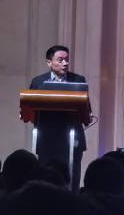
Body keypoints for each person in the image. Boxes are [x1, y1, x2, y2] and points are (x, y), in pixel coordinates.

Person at [29, 44, 89, 191]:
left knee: (71, 178)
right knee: (44, 180)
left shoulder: (78, 80)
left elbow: (86, 108)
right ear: (49, 62)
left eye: (67, 59)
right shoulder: (38, 82)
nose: (65, 63)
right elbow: (29, 108)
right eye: (60, 60)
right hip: (46, 139)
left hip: (72, 138)